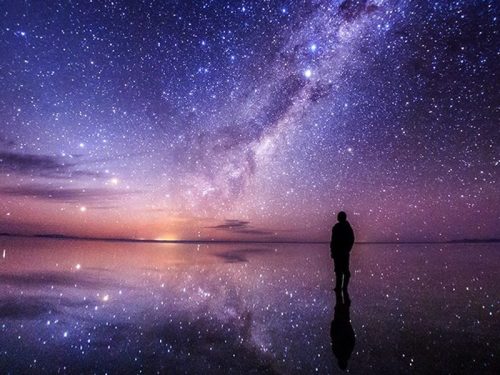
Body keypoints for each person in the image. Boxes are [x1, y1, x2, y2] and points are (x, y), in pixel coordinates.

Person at [330, 290, 355, 370]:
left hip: (342, 322)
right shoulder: (338, 352)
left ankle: (342, 289)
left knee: (343, 304)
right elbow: (333, 337)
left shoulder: (344, 352)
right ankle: (341, 289)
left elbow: (352, 338)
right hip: (341, 322)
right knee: (341, 303)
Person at [330, 211, 355, 291]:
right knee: (338, 271)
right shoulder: (336, 227)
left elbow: (351, 239)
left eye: (339, 216)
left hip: (343, 252)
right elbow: (333, 241)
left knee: (345, 271)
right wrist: (332, 252)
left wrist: (347, 249)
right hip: (338, 252)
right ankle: (338, 287)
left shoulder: (347, 227)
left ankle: (344, 288)